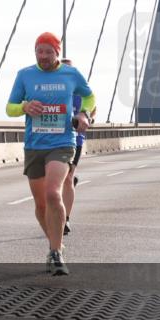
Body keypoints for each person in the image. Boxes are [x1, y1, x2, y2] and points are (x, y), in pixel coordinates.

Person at [6, 33, 94, 276]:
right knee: (41, 204)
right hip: (35, 145)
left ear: (57, 52)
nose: (43, 56)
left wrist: (84, 114)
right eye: (38, 51)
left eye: (48, 51)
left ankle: (56, 253)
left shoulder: (71, 74)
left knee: (53, 193)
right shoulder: (25, 75)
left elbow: (89, 96)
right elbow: (10, 107)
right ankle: (55, 244)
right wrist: (24, 106)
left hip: (63, 142)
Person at [60, 58, 96, 235]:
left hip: (75, 139)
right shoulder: (55, 89)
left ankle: (65, 219)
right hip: (53, 140)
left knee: (67, 178)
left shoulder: (80, 91)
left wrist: (86, 117)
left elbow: (93, 107)